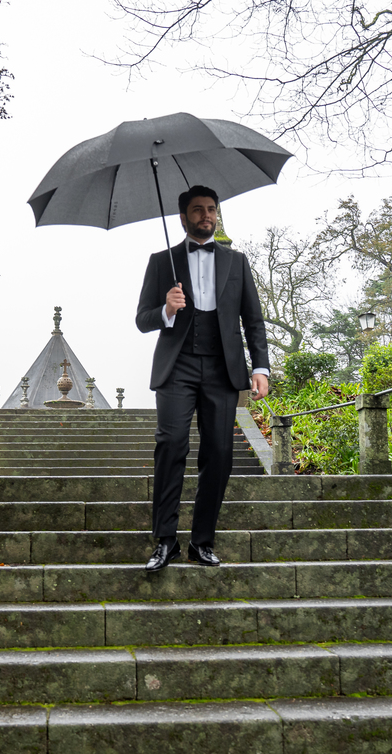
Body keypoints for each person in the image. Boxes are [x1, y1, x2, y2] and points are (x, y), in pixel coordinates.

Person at [135, 185, 270, 572]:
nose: (206, 215)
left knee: (220, 453)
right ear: (183, 217)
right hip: (176, 367)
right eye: (197, 210)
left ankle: (202, 541)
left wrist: (260, 368)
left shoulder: (237, 261)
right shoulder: (161, 261)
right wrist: (166, 309)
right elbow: (142, 319)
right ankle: (166, 541)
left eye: (211, 209)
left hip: (222, 368)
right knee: (170, 445)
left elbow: (253, 319)